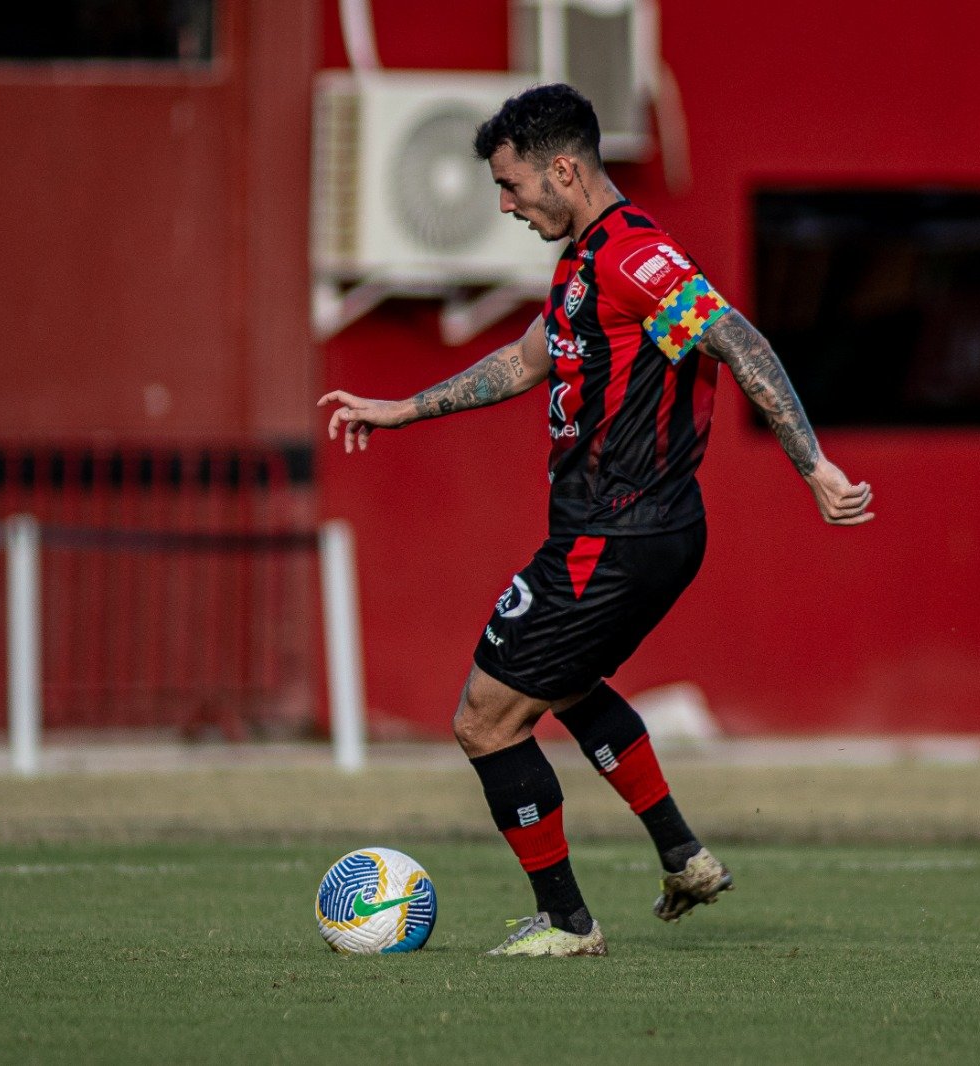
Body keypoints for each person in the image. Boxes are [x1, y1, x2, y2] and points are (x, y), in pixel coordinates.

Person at [318, 84, 873, 957]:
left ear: (565, 170)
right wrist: (400, 410)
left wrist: (814, 466)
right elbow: (527, 357)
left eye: (512, 185)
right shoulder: (583, 261)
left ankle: (567, 922)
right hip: (629, 529)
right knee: (564, 682)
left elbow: (737, 338)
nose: (503, 204)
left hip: (618, 532)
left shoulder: (633, 257)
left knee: (485, 720)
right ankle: (682, 854)